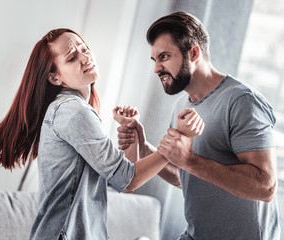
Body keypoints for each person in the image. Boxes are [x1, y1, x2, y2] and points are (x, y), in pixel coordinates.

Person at [0, 28, 204, 240]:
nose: (85, 58)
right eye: (72, 58)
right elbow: (128, 181)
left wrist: (130, 134)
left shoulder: (71, 109)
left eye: (84, 49)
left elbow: (123, 180)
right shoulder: (72, 111)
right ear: (55, 78)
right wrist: (176, 138)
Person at [117, 12, 280, 240]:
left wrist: (190, 160)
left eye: (164, 56)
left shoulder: (242, 101)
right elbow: (186, 178)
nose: (156, 69)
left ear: (193, 53)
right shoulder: (181, 106)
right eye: (155, 60)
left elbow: (265, 187)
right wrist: (144, 147)